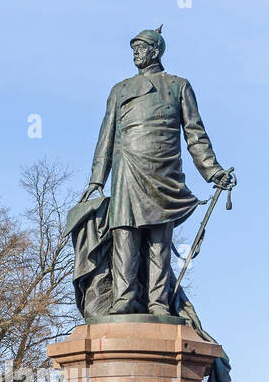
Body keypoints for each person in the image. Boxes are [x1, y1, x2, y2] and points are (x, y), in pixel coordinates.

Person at [80, 26, 236, 315]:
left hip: (164, 172)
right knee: (124, 233)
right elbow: (106, 137)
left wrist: (213, 171)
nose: (136, 54)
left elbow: (195, 135)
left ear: (156, 50)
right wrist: (96, 180)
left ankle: (158, 302)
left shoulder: (178, 85)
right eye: (133, 49)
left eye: (141, 48)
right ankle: (124, 298)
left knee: (158, 240)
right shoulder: (120, 89)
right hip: (127, 169)